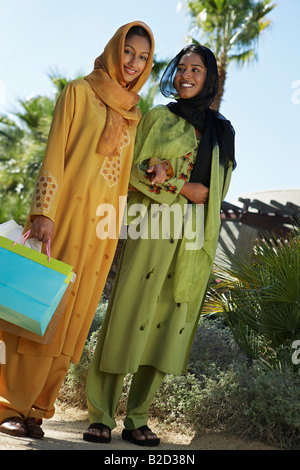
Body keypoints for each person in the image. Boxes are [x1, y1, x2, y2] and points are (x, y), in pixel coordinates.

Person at [0, 21, 154, 439]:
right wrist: (43, 212)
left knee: (73, 319)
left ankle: (38, 410)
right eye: (128, 52)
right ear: (113, 49)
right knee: (40, 310)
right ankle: (9, 405)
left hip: (99, 232)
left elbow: (121, 177)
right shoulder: (78, 92)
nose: (133, 63)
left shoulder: (133, 114)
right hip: (63, 219)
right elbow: (55, 153)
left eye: (142, 58)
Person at [84, 44, 236, 446]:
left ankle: (138, 418)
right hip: (151, 224)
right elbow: (130, 172)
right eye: (181, 67)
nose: (186, 75)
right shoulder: (157, 117)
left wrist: (190, 193)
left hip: (192, 238)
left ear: (209, 78)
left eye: (196, 69)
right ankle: (100, 413)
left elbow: (218, 193)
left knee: (166, 325)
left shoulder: (223, 132)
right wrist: (179, 185)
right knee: (127, 313)